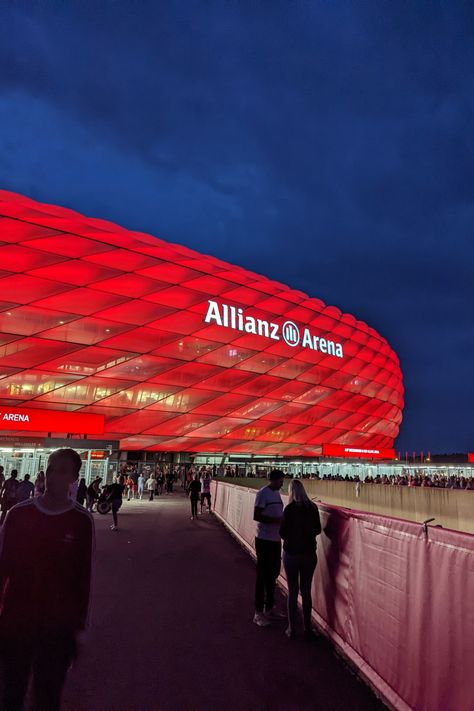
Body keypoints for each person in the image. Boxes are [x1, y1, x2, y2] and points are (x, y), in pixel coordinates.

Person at [0, 448, 94, 711]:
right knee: (10, 694)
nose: (54, 476)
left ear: (74, 477)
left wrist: (80, 629)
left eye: (63, 471)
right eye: (51, 469)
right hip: (16, 621)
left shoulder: (80, 521)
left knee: (47, 696)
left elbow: (83, 578)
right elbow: (3, 566)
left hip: (57, 627)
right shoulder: (18, 515)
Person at [279, 479, 321, 640]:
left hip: (291, 553)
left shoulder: (289, 509)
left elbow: (282, 532)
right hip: (309, 553)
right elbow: (318, 529)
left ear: (291, 492)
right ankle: (307, 628)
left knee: (293, 591)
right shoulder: (313, 508)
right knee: (306, 591)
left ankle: (291, 628)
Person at [253, 469, 285, 627]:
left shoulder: (277, 494)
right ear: (274, 480)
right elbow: (257, 515)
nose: (283, 483)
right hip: (264, 539)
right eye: (281, 480)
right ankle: (258, 612)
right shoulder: (263, 493)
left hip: (275, 539)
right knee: (262, 575)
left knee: (273, 573)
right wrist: (275, 520)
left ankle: (269, 607)